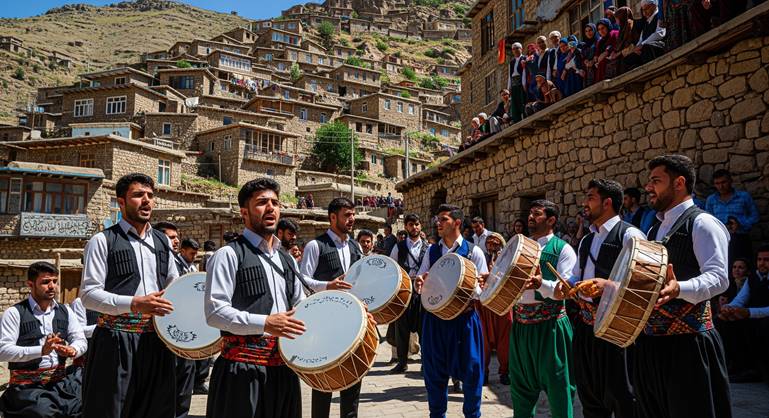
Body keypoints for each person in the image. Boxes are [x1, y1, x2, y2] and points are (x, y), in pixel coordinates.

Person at [636, 154, 731, 417]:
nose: (648, 187)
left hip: (689, 347)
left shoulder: (703, 223)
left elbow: (719, 278)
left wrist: (680, 288)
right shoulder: (654, 229)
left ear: (679, 183)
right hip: (651, 345)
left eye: (656, 180)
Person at [79, 173, 180, 418]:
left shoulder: (162, 241)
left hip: (157, 340)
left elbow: (174, 285)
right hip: (115, 341)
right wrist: (134, 304)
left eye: (150, 196)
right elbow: (89, 295)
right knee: (112, 408)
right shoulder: (102, 241)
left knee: (156, 407)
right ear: (121, 202)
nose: (146, 201)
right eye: (138, 195)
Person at [204, 178, 307, 418]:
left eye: (275, 202)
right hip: (242, 372)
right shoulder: (228, 255)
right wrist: (265, 323)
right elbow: (215, 312)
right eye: (262, 202)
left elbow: (300, 306)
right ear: (244, 212)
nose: (271, 207)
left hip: (284, 370)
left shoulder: (288, 260)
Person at [554, 180, 644, 418]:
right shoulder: (586, 240)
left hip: (617, 331)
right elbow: (577, 275)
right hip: (586, 329)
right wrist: (568, 286)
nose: (585, 203)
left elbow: (643, 285)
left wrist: (608, 286)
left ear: (607, 203)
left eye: (590, 197)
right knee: (591, 397)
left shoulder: (630, 235)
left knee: (624, 398)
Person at [414, 204, 488, 418]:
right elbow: (422, 281)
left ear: (457, 223)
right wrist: (420, 283)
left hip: (464, 320)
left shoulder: (474, 251)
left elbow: (481, 291)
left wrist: (467, 285)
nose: (438, 223)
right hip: (435, 321)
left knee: (472, 372)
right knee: (434, 374)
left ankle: (473, 415)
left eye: (443, 219)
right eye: (438, 219)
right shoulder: (432, 250)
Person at [508, 200, 577, 418]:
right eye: (530, 213)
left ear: (551, 220)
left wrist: (541, 284)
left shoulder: (563, 249)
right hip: (520, 328)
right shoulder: (519, 248)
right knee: (520, 392)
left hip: (551, 329)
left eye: (536, 214)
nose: (530, 217)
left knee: (559, 390)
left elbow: (566, 290)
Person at [299, 197, 366, 418]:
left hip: (353, 322)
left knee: (353, 377)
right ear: (332, 217)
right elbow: (302, 281)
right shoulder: (315, 246)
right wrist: (328, 285)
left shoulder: (356, 246)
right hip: (324, 324)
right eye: (347, 215)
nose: (352, 219)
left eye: (353, 214)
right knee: (324, 381)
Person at [0, 261, 87, 418]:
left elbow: (80, 339)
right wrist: (41, 350)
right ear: (30, 284)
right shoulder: (14, 313)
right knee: (45, 412)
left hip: (60, 383)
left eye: (55, 281)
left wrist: (73, 349)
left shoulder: (65, 311)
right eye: (45, 282)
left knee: (86, 405)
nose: (52, 286)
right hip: (26, 387)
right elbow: (3, 351)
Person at [155, 223, 199, 418]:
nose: (174, 240)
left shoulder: (188, 267)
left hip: (184, 331)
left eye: (176, 237)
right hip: (162, 332)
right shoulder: (155, 261)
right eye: (169, 237)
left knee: (185, 380)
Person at [718, 246, 769, 384]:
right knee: (725, 320)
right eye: (759, 259)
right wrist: (728, 309)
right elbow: (741, 299)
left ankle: (756, 369)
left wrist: (749, 312)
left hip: (762, 318)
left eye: (766, 260)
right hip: (752, 316)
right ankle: (737, 366)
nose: (762, 263)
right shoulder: (753, 278)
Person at [389, 214, 428, 374]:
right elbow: (392, 268)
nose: (414, 227)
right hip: (404, 291)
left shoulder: (429, 248)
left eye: (417, 224)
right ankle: (402, 362)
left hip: (423, 292)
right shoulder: (398, 247)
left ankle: (426, 362)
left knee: (424, 328)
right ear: (406, 226)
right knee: (401, 328)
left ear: (420, 226)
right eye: (411, 224)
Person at [477, 232, 513, 386]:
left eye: (496, 243)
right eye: (490, 242)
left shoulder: (508, 260)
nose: (492, 245)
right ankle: (483, 373)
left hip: (503, 304)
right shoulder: (481, 258)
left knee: (505, 341)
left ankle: (505, 371)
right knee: (483, 340)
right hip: (484, 304)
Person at [705, 169, 760, 234]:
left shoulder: (744, 197)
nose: (721, 186)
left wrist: (741, 224)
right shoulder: (711, 200)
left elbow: (755, 217)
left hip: (740, 236)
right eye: (717, 183)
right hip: (719, 238)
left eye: (723, 182)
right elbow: (708, 221)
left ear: (731, 181)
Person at [625, 0, 666, 70]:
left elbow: (660, 33)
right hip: (645, 46)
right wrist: (636, 48)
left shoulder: (659, 16)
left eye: (646, 9)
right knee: (629, 58)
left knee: (647, 48)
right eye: (643, 10)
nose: (644, 13)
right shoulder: (646, 22)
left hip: (659, 44)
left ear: (654, 6)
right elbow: (641, 38)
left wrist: (643, 44)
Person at [507, 43, 528, 123]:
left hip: (521, 82)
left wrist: (524, 84)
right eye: (514, 49)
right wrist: (509, 87)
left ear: (521, 49)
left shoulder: (524, 58)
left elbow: (524, 72)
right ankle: (516, 120)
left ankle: (525, 117)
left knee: (522, 100)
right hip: (514, 83)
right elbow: (510, 75)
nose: (515, 50)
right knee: (515, 102)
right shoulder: (512, 62)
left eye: (517, 48)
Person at [594, 18, 619, 82]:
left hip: (614, 61)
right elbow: (597, 54)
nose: (601, 31)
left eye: (603, 28)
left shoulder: (614, 34)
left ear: (607, 27)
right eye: (599, 29)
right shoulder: (600, 42)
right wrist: (596, 58)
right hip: (602, 65)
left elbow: (617, 45)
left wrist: (607, 52)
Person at [581, 23, 600, 88]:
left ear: (594, 30)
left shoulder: (599, 41)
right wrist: (585, 61)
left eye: (590, 30)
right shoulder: (584, 45)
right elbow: (583, 57)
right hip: (588, 71)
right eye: (586, 31)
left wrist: (592, 61)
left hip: (597, 68)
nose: (588, 33)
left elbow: (599, 52)